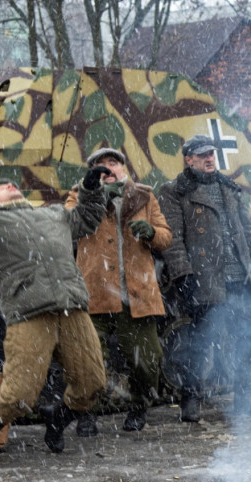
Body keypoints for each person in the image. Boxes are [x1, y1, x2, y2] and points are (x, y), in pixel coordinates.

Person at [0, 169, 111, 464]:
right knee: (21, 394)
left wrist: (90, 189)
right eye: (1, 187)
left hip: (72, 308)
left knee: (92, 384)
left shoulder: (55, 215)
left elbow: (88, 218)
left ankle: (57, 419)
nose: (10, 185)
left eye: (11, 183)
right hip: (28, 313)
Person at [157, 134, 251, 421]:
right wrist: (184, 275)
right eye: (202, 154)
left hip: (239, 278)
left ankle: (244, 400)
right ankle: (190, 400)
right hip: (206, 279)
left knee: (247, 338)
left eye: (212, 153)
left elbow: (247, 232)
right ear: (189, 159)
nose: (210, 158)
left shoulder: (227, 189)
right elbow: (173, 240)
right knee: (201, 341)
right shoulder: (175, 192)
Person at [67, 148, 172, 434]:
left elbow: (165, 236)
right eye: (100, 165)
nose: (107, 168)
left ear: (123, 168)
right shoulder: (79, 195)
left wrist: (150, 231)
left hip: (135, 295)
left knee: (148, 361)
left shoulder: (144, 196)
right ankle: (86, 413)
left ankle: (139, 407)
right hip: (95, 293)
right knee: (87, 361)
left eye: (113, 163)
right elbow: (70, 226)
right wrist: (95, 194)